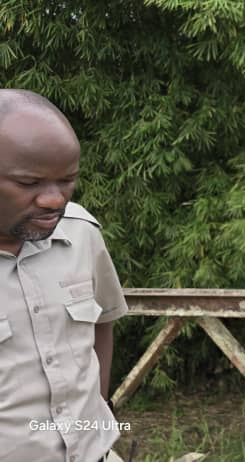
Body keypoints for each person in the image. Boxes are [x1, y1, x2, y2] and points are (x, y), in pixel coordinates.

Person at [0, 89, 128, 461]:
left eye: (67, 180)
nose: (55, 199)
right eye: (29, 183)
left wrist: (98, 414)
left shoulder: (80, 233)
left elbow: (101, 323)